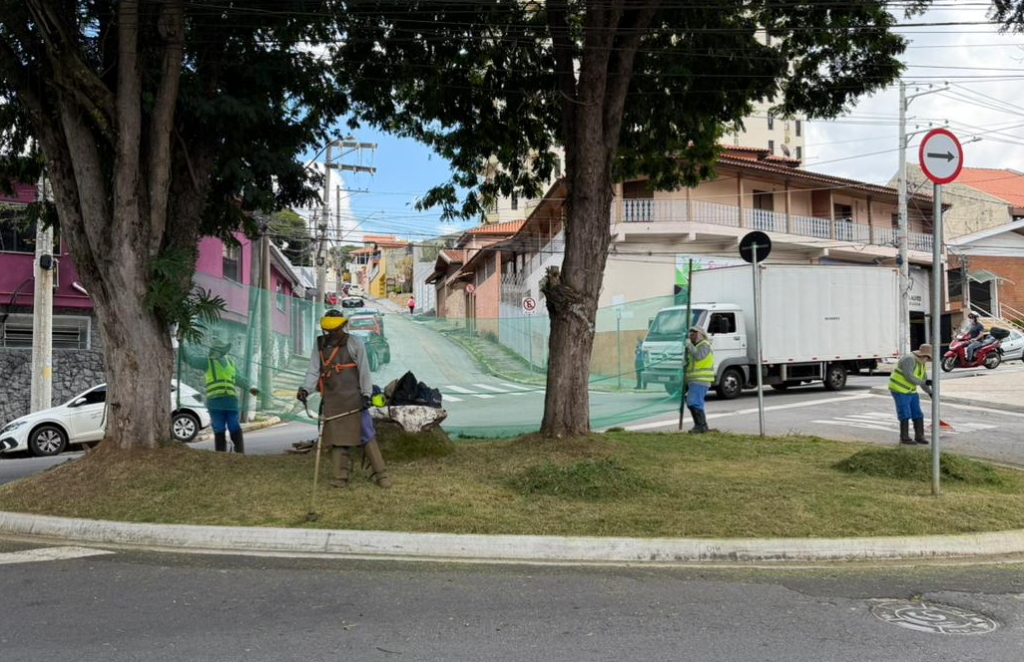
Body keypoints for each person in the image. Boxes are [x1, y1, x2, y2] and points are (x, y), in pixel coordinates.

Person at [297, 310, 391, 488]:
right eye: (328, 331)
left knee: (367, 435)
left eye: (335, 330)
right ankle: (340, 477)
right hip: (332, 399)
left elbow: (364, 371)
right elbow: (313, 370)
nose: (331, 335)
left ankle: (381, 475)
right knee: (337, 438)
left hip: (354, 398)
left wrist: (366, 394)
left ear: (343, 326)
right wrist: (305, 389)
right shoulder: (320, 344)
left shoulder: (355, 343)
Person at [183, 338, 257, 453]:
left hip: (231, 401)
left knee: (234, 426)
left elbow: (239, 379)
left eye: (220, 350)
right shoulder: (207, 362)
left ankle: (240, 453)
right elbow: (189, 360)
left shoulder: (231, 363)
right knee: (219, 428)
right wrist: (182, 344)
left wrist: (251, 388)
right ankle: (220, 454)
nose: (216, 353)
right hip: (215, 402)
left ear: (223, 351)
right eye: (215, 350)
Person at [888, 343, 933, 445]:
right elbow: (909, 377)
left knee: (917, 413)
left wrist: (930, 392)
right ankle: (904, 438)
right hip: (899, 389)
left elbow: (923, 380)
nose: (928, 361)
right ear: (924, 355)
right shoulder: (909, 359)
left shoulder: (921, 364)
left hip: (910, 390)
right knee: (905, 412)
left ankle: (919, 436)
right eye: (928, 359)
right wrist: (924, 382)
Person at [685, 326, 714, 434]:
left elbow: (698, 356)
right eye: (690, 334)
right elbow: (691, 362)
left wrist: (689, 346)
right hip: (693, 380)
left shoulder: (704, 345)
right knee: (693, 402)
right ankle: (701, 426)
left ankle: (701, 426)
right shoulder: (694, 346)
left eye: (693, 334)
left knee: (693, 402)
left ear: (699, 334)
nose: (691, 336)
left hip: (701, 379)